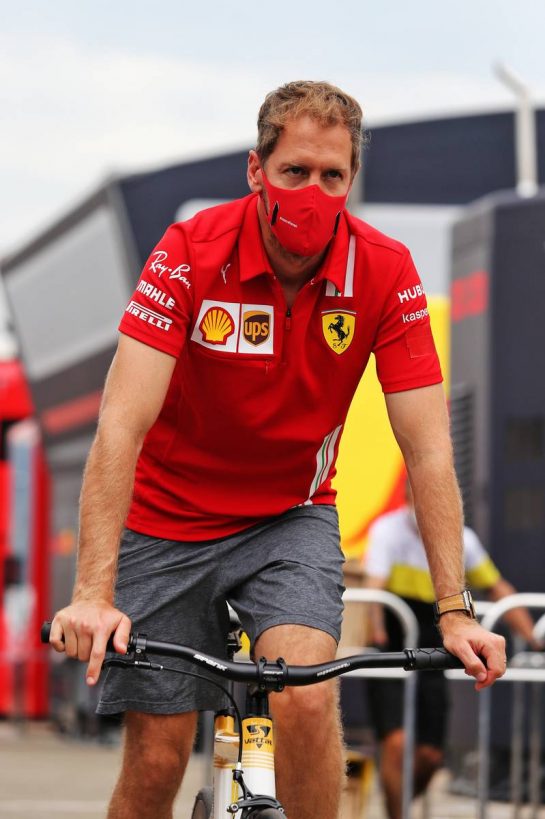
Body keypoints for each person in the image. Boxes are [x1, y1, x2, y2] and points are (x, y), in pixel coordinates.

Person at [49, 80, 506, 819]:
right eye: (295, 171)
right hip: (166, 519)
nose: (314, 191)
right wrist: (93, 595)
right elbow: (120, 427)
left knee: (305, 694)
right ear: (256, 171)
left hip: (288, 519)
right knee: (159, 754)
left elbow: (426, 450)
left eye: (333, 175)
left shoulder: (384, 270)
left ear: (351, 179)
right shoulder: (189, 252)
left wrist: (454, 610)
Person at [364, 480, 539, 819]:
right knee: (397, 743)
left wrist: (533, 636)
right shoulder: (387, 531)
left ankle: (396, 803)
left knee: (431, 755)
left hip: (434, 650)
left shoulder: (462, 538)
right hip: (391, 648)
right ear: (407, 497)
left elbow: (497, 586)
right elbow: (375, 588)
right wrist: (378, 630)